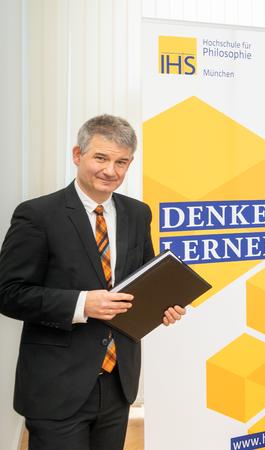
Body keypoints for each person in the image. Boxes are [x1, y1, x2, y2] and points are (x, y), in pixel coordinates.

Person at [0, 114, 186, 450]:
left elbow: (144, 281)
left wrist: (164, 306)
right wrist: (81, 304)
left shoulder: (138, 213)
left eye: (121, 162)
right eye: (101, 157)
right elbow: (9, 293)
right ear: (77, 155)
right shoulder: (37, 215)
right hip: (56, 386)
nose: (111, 171)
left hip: (118, 383)